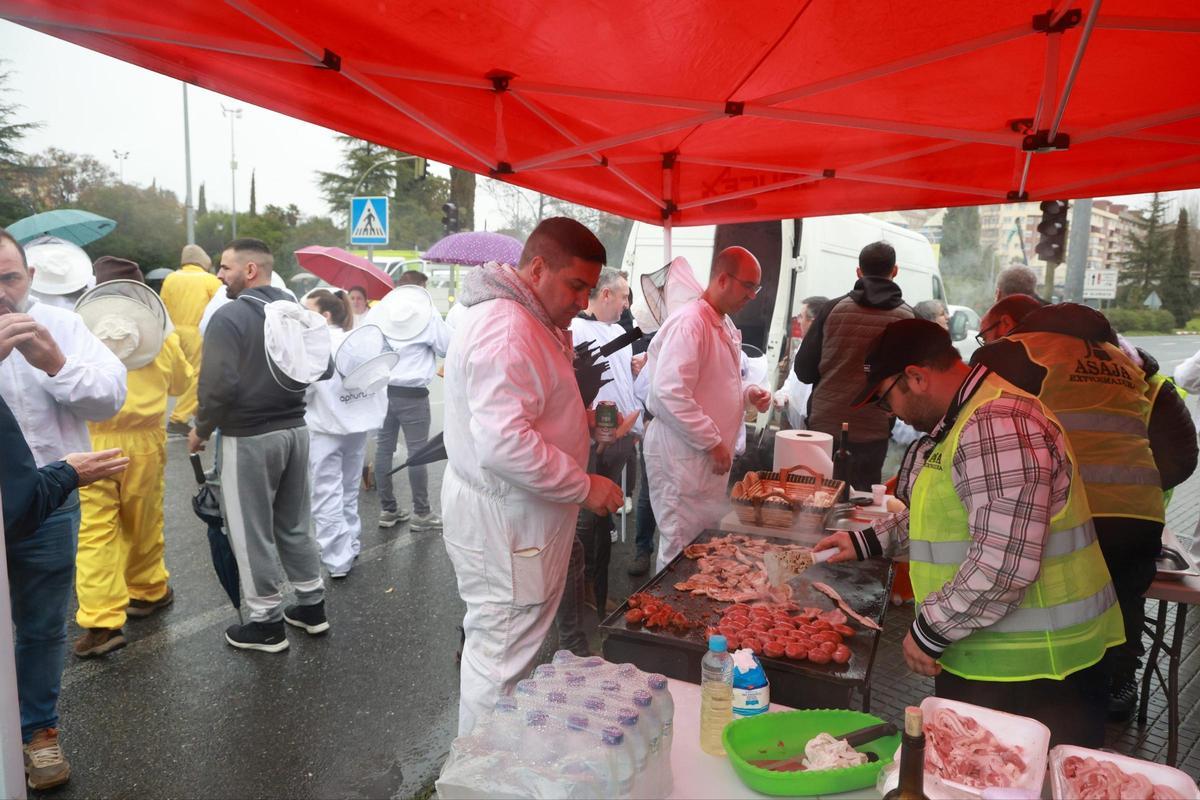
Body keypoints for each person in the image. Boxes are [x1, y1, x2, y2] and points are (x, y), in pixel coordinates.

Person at [817, 319, 1123, 747]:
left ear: (917, 377)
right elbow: (945, 516)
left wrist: (928, 631)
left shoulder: (998, 424)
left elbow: (1003, 564)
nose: (890, 415)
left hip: (1035, 674)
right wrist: (865, 540)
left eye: (887, 400)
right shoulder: (964, 418)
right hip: (990, 655)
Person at [441, 217, 623, 734]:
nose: (584, 301)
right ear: (537, 267)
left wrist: (582, 425)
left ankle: (490, 768)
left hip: (518, 518)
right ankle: (477, 778)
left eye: (590, 288)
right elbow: (504, 445)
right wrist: (586, 485)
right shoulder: (508, 328)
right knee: (501, 658)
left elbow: (528, 414)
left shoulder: (528, 317)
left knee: (508, 649)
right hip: (506, 522)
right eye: (575, 285)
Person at [974, 296, 1195, 719]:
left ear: (1008, 324)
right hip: (1136, 517)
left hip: (1062, 512)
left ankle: (1046, 692)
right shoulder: (1130, 364)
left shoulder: (1021, 351)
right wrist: (1136, 482)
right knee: (1124, 599)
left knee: (1046, 597)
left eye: (987, 332)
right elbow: (1183, 454)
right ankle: (1117, 686)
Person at [0, 226, 127, 790]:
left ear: (29, 276)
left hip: (50, 502)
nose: (2, 291)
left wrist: (54, 362)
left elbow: (110, 395)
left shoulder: (60, 323)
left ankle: (39, 733)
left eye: (9, 277)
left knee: (42, 627)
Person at [188, 238, 330, 653]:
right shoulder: (297, 313)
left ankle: (266, 624)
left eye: (225, 267)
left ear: (250, 270)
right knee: (294, 522)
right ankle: (311, 607)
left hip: (248, 436)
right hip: (296, 431)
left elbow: (218, 384)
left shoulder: (229, 316)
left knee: (251, 532)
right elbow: (325, 366)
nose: (219, 275)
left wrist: (201, 428)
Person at [73, 257, 192, 659]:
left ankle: (101, 621)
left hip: (91, 440)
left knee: (95, 531)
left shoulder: (79, 333)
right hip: (144, 440)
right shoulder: (162, 335)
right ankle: (147, 590)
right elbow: (181, 382)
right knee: (144, 518)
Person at [643, 247, 772, 573]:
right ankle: (669, 616)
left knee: (701, 544)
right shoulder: (690, 323)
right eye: (748, 286)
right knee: (680, 545)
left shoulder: (722, 322)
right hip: (682, 458)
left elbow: (713, 385)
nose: (752, 296)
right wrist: (711, 441)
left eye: (756, 288)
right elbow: (669, 393)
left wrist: (746, 393)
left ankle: (691, 609)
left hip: (704, 461)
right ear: (723, 279)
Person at [557, 267, 639, 651]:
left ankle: (598, 588)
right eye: (622, 296)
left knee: (604, 519)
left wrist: (635, 369)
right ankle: (581, 595)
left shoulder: (622, 332)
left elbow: (623, 374)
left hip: (622, 437)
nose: (626, 304)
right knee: (586, 523)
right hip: (594, 439)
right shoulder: (576, 330)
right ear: (604, 295)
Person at [794, 241, 914, 490]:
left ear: (858, 272)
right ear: (895, 271)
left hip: (825, 429)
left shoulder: (832, 310)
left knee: (817, 500)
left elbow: (803, 371)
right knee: (860, 505)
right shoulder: (908, 319)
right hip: (873, 431)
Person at [303, 289, 387, 578]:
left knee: (326, 492)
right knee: (349, 488)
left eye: (308, 310)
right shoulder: (356, 342)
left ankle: (337, 558)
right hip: (357, 426)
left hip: (326, 428)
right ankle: (350, 543)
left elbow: (301, 391)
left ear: (325, 315)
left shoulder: (315, 345)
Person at [369, 285, 452, 531]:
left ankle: (388, 510)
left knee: (384, 450)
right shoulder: (428, 319)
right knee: (417, 453)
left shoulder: (380, 316)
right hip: (414, 395)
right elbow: (447, 347)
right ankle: (422, 513)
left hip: (384, 392)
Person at [160, 244, 222, 435]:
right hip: (198, 333)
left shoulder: (170, 278)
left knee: (182, 373)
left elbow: (163, 305)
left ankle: (195, 411)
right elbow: (220, 306)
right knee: (199, 375)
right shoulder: (210, 280)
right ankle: (178, 417)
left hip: (173, 332)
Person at [773, 295, 827, 430]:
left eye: (801, 317)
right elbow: (792, 380)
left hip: (815, 429)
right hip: (795, 424)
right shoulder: (803, 346)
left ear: (813, 322)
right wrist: (783, 395)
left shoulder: (827, 351)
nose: (798, 321)